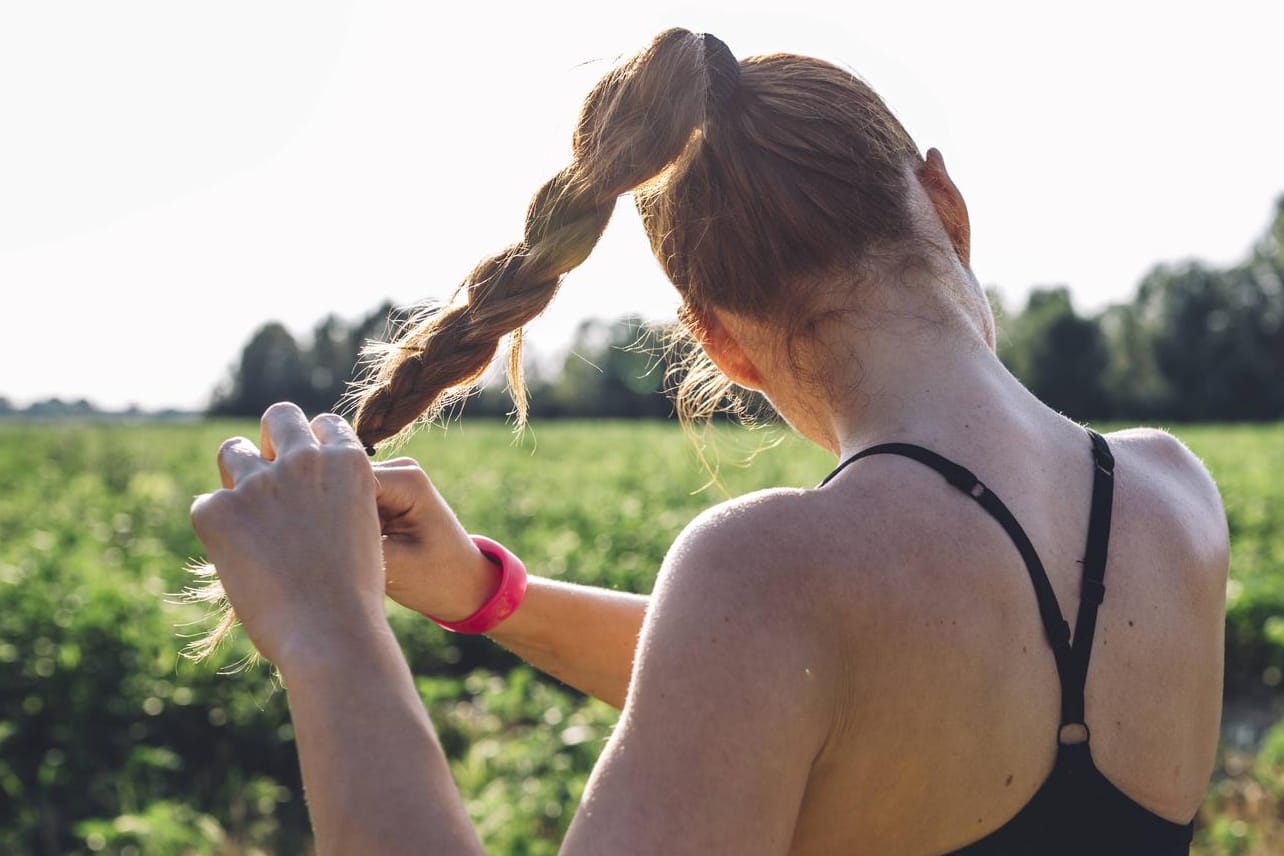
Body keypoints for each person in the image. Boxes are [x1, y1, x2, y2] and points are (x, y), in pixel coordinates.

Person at [189, 28, 1229, 855]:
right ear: (946, 206)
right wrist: (490, 596)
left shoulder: (770, 576)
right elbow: (779, 677)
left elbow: (773, 650)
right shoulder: (1176, 498)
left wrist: (329, 632)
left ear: (718, 343)